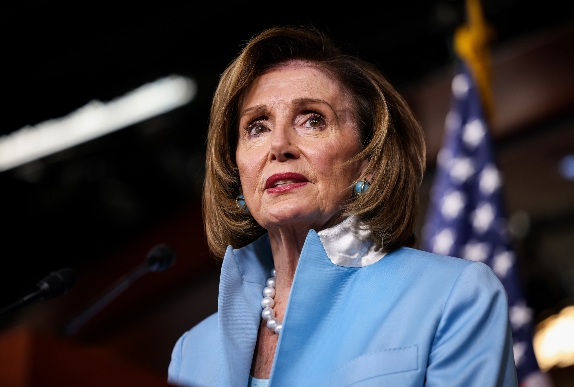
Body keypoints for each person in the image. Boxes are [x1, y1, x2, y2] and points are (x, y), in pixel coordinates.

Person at [168, 25, 517, 387]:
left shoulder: (453, 294)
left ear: (369, 160)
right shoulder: (191, 353)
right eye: (257, 127)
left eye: (312, 120)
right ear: (236, 168)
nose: (279, 146)